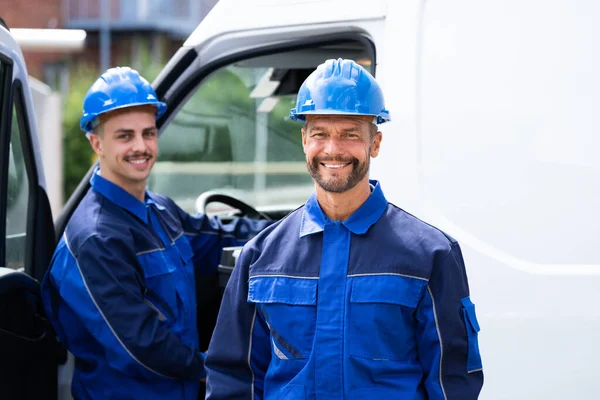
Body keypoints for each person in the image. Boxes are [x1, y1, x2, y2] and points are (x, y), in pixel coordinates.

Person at [205, 58, 484, 399]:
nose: (333, 149)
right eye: (320, 133)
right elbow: (234, 379)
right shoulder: (261, 257)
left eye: (350, 134)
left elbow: (452, 382)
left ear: (375, 143)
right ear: (304, 140)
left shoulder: (430, 255)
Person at [41, 67, 271, 400]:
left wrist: (290, 231)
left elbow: (216, 237)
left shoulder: (159, 210)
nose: (141, 146)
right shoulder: (95, 238)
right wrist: (214, 369)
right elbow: (140, 344)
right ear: (96, 143)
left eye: (148, 133)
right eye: (125, 136)